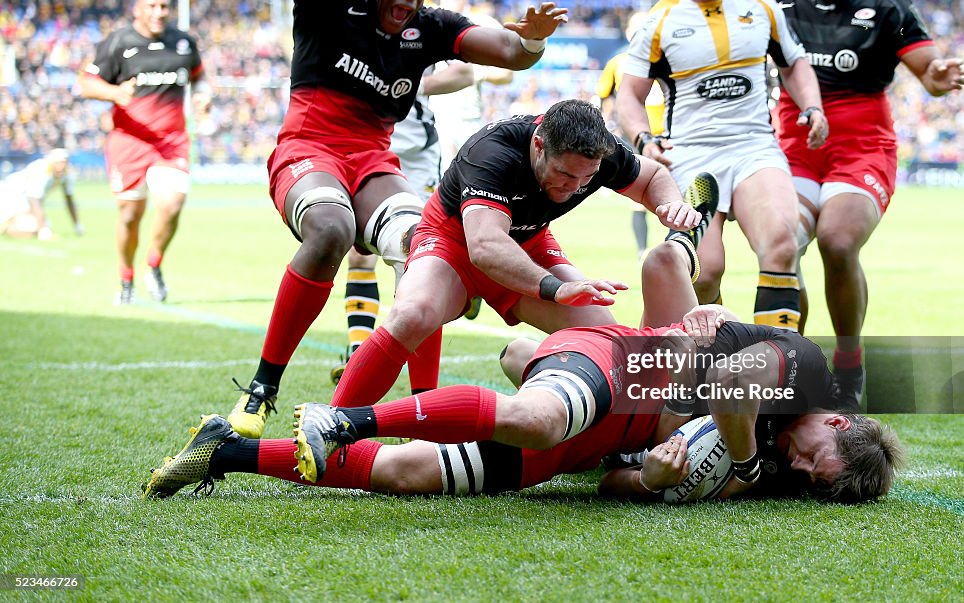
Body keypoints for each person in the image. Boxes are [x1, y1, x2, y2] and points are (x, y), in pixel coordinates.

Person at [144, 239, 903, 504]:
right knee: (538, 411)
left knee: (409, 474)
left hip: (597, 440)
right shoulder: (802, 370)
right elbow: (736, 389)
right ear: (837, 419)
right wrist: (735, 459)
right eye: (813, 456)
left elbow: (617, 485)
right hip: (616, 366)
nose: (795, 465)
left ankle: (228, 450)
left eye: (806, 477)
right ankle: (347, 418)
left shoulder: (776, 466)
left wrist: (654, 482)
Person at [225, 0, 570, 439]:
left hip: (374, 161)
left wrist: (533, 40)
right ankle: (262, 388)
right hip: (308, 147)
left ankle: (423, 407)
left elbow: (508, 53)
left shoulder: (427, 28)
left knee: (425, 251)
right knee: (332, 230)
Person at [327, 98, 707, 410]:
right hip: (452, 241)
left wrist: (669, 205)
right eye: (564, 174)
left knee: (606, 343)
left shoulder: (596, 153)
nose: (574, 188)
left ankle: (617, 439)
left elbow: (654, 176)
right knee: (413, 315)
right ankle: (332, 423)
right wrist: (555, 288)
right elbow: (485, 247)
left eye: (586, 179)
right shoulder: (493, 152)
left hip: (528, 244)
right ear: (539, 145)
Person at [761, 0, 964, 410]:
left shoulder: (888, 6)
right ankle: (800, 370)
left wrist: (939, 75)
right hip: (793, 141)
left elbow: (931, 73)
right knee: (781, 245)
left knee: (837, 241)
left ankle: (850, 367)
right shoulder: (774, 0)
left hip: (861, 145)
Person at [617, 0, 829, 339]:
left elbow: (795, 62)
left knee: (782, 245)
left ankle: (779, 368)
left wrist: (814, 106)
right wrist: (644, 139)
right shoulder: (659, 22)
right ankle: (701, 362)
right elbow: (629, 95)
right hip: (692, 155)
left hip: (754, 146)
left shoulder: (760, 7)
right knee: (705, 269)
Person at [332, 62, 476, 387]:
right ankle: (358, 351)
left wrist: (410, 83)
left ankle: (420, 383)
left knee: (423, 256)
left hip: (417, 157)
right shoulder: (356, 30)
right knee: (359, 255)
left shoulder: (424, 31)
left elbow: (465, 74)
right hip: (372, 153)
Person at [80, 0, 210, 306]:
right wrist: (114, 94)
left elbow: (199, 76)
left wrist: (203, 97)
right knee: (129, 216)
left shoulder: (182, 43)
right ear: (137, 9)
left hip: (171, 142)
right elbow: (84, 82)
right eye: (151, 6)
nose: (158, 12)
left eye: (164, 6)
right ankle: (126, 277)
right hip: (129, 142)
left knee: (172, 204)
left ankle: (154, 264)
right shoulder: (119, 43)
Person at [428, 0, 514, 171]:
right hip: (432, 119)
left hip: (469, 119)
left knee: (468, 185)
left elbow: (507, 74)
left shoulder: (484, 24)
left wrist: (475, 73)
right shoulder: (425, 21)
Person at [596, 11, 667, 261]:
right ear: (628, 33)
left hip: (670, 138)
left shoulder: (667, 59)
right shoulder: (617, 63)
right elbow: (604, 97)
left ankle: (680, 251)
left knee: (677, 195)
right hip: (636, 140)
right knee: (640, 197)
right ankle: (642, 251)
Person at [0, 149, 82, 240]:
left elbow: (69, 200)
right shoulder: (41, 170)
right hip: (10, 193)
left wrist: (77, 225)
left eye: (64, 163)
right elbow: (34, 200)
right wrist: (43, 230)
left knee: (40, 226)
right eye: (59, 163)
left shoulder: (67, 174)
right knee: (35, 228)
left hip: (24, 198)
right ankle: (5, 227)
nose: (61, 166)